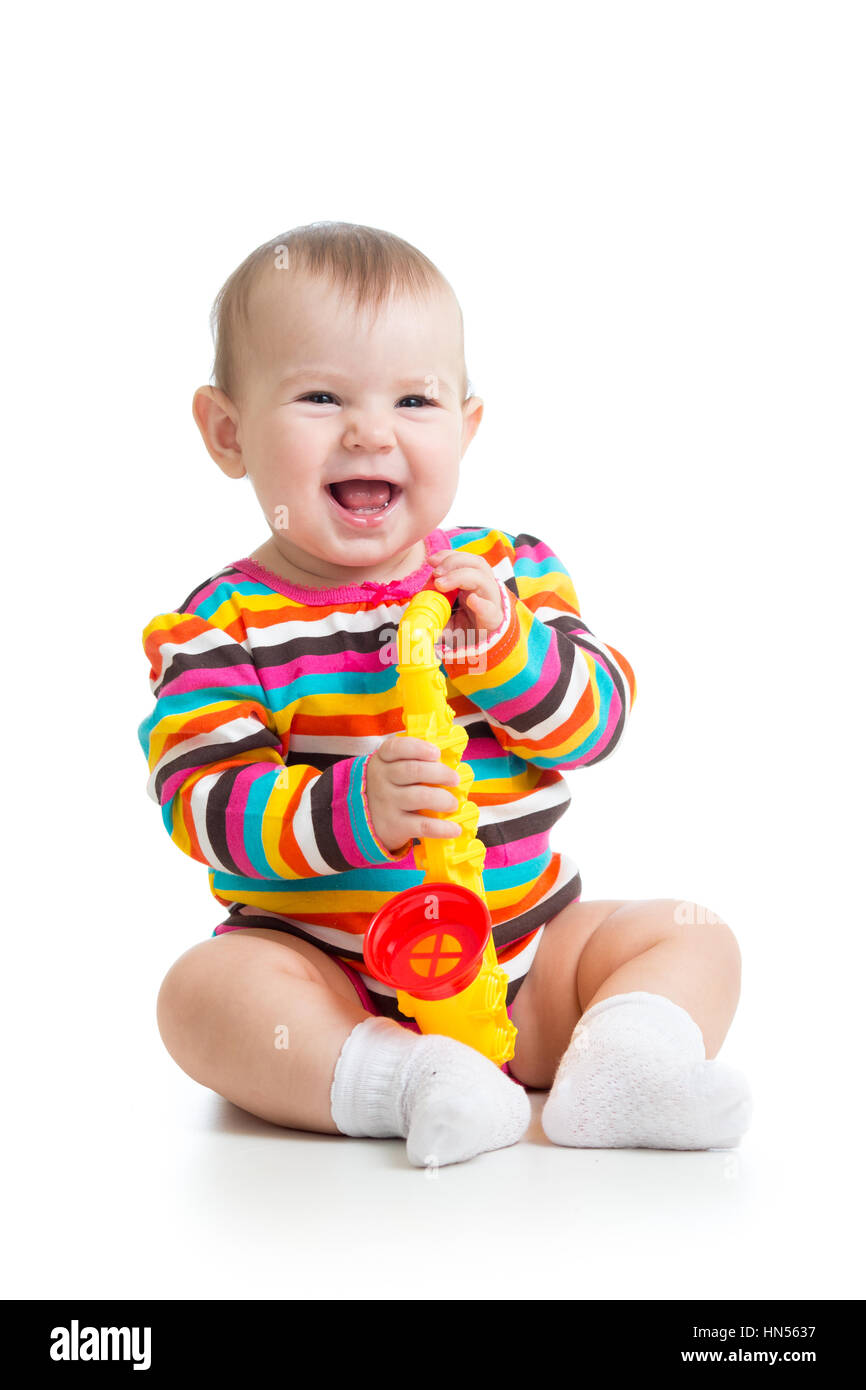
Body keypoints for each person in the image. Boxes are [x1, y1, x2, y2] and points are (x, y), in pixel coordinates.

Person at [140, 221, 752, 1169]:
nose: (370, 430)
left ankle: (622, 1068)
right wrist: (353, 808)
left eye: (413, 399)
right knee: (201, 995)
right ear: (228, 432)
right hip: (332, 977)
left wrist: (507, 648)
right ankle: (402, 1080)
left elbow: (600, 719)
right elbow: (201, 803)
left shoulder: (511, 574)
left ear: (465, 427)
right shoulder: (221, 626)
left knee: (692, 935)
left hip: (525, 966)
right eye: (319, 395)